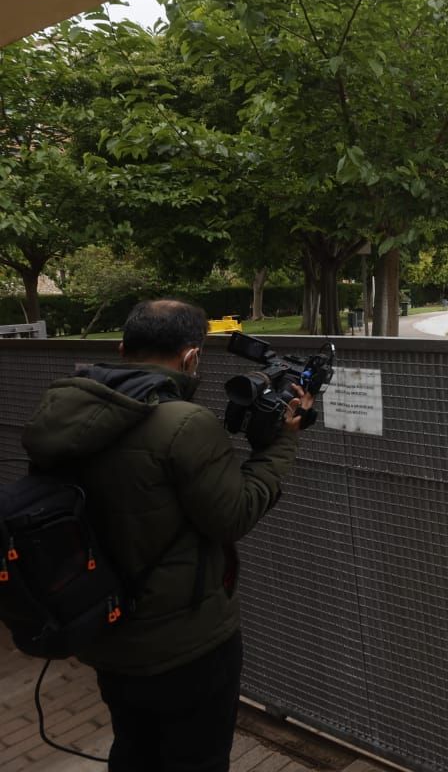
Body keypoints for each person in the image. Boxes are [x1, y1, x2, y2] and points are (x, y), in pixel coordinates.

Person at [20, 299, 314, 772]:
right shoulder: (183, 424)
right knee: (196, 757)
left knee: (134, 747)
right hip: (185, 644)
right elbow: (234, 515)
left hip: (106, 628)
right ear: (192, 356)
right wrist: (281, 442)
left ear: (121, 348)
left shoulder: (65, 411)